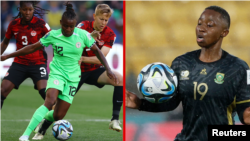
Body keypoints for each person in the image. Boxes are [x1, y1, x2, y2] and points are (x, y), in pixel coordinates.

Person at [126, 5, 250, 141]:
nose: (201, 28)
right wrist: (139, 104)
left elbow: (245, 114)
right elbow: (171, 103)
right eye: (199, 23)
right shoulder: (181, 63)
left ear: (224, 32)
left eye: (209, 25)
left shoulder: (238, 68)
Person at [0, 1, 118, 141]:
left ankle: (43, 122)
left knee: (58, 115)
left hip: (73, 79)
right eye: (66, 26)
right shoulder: (53, 35)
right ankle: (25, 135)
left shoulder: (83, 35)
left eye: (71, 26)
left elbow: (98, 52)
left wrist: (109, 69)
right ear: (61, 22)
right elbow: (32, 47)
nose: (68, 29)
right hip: (57, 74)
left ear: (74, 25)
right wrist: (8, 55)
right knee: (49, 101)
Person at [32, 4, 123, 137]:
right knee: (57, 106)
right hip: (74, 72)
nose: (103, 22)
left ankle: (114, 119)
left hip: (94, 71)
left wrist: (81, 57)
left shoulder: (110, 34)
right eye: (101, 19)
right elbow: (72, 42)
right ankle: (42, 128)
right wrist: (89, 37)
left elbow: (99, 59)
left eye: (106, 20)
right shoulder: (83, 26)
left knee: (119, 78)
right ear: (94, 17)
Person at [0, 0, 50, 110]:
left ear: (33, 10)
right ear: (20, 9)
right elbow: (4, 43)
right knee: (2, 91)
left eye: (30, 10)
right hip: (20, 63)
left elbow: (53, 40)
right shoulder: (13, 24)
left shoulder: (41, 24)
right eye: (25, 10)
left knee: (45, 94)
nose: (27, 12)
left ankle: (58, 121)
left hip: (38, 63)